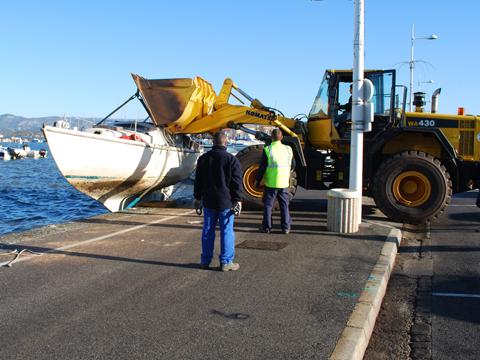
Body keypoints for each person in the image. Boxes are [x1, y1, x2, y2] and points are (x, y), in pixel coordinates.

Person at [194, 132, 243, 271]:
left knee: (208, 230)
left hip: (208, 201)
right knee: (226, 231)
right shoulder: (231, 160)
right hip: (226, 202)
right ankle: (226, 262)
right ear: (225, 142)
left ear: (213, 142)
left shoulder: (203, 159)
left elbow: (198, 181)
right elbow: (236, 183)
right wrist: (237, 200)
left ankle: (205, 261)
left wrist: (197, 198)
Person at [255, 128, 295, 234]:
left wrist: (257, 180)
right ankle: (286, 227)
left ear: (272, 138)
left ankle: (267, 227)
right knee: (284, 205)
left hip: (271, 183)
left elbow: (262, 167)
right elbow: (293, 165)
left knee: (268, 205)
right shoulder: (288, 149)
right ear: (281, 137)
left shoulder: (268, 149)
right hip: (284, 183)